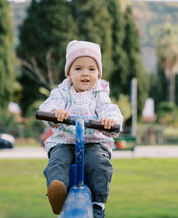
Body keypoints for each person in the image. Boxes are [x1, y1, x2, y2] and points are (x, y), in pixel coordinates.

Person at [39, 40, 124, 217]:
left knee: (99, 164)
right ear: (69, 74)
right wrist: (55, 112)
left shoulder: (99, 95)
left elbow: (110, 110)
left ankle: (98, 203)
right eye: (78, 69)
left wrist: (109, 121)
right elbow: (48, 106)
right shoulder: (62, 92)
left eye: (91, 69)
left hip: (94, 142)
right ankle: (57, 191)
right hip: (64, 141)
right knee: (57, 160)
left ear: (98, 74)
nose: (85, 73)